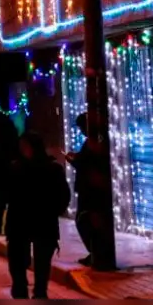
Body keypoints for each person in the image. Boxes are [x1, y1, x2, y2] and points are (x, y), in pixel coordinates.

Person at [0, 131, 71, 299]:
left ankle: (34, 293)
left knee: (35, 265)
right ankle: (27, 292)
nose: (23, 149)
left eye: (25, 146)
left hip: (35, 223)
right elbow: (1, 198)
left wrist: (53, 210)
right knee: (25, 264)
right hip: (27, 223)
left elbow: (63, 195)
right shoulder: (18, 169)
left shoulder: (48, 169)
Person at [65, 112, 109, 267]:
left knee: (85, 221)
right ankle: (95, 253)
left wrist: (74, 161)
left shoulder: (94, 143)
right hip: (89, 189)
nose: (81, 130)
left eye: (82, 127)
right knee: (86, 221)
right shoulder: (92, 142)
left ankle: (97, 254)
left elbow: (88, 166)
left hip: (91, 190)